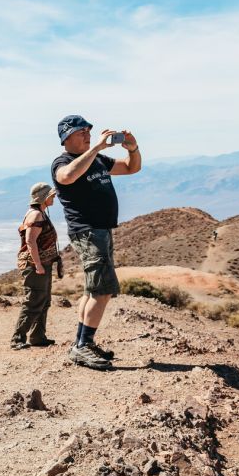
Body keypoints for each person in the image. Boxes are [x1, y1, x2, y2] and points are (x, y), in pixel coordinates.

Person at [51, 114, 141, 370]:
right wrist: (96, 148)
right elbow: (66, 177)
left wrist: (132, 148)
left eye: (89, 131)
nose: (88, 135)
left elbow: (131, 167)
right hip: (88, 231)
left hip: (101, 231)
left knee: (93, 290)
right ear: (67, 137)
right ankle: (83, 347)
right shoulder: (63, 161)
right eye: (82, 132)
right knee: (102, 291)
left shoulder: (98, 159)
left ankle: (83, 343)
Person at [10, 182, 60, 350]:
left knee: (43, 300)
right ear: (44, 198)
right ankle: (18, 339)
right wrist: (38, 265)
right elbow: (31, 241)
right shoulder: (36, 216)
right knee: (34, 300)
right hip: (34, 265)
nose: (54, 198)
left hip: (43, 264)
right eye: (51, 195)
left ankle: (38, 336)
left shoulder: (39, 213)